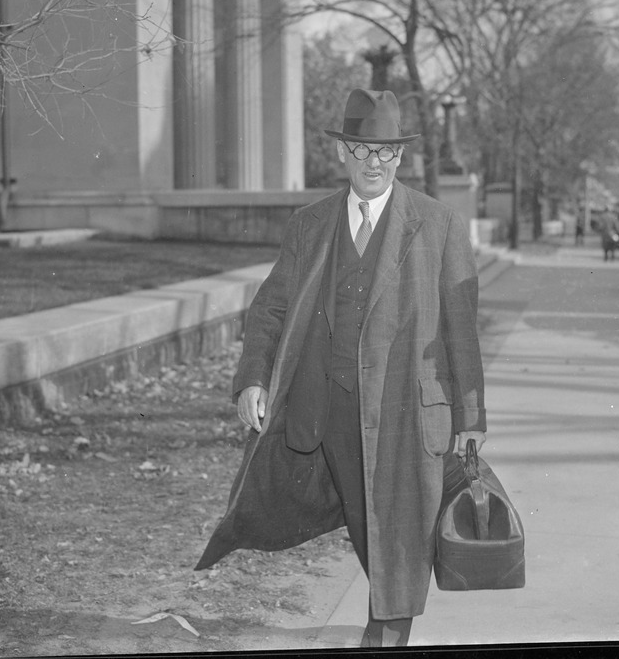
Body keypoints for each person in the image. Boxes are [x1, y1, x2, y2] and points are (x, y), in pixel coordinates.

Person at [195, 88, 487, 647]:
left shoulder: (439, 223)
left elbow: (461, 329)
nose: (374, 162)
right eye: (362, 149)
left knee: (399, 523)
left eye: (385, 151)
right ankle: (387, 614)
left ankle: (387, 631)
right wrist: (253, 378)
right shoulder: (310, 224)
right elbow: (272, 306)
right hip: (327, 408)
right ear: (343, 154)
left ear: (399, 157)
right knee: (363, 516)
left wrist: (471, 416)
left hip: (407, 407)